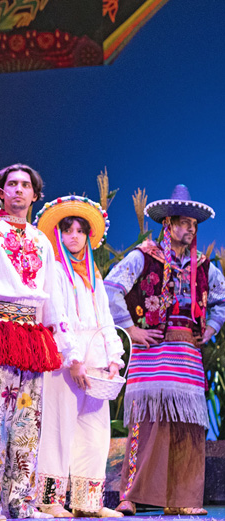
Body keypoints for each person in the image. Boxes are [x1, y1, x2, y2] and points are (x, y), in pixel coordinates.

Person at [0, 164, 76, 521]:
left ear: (35, 194)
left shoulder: (42, 240)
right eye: (11, 184)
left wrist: (63, 341)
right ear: (0, 192)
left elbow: (51, 294)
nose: (18, 190)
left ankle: (21, 501)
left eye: (25, 185)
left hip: (30, 335)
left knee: (27, 423)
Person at [105, 184, 223, 516]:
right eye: (184, 222)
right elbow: (110, 288)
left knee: (187, 427)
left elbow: (221, 301)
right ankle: (130, 495)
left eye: (194, 224)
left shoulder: (204, 266)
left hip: (187, 354)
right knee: (146, 423)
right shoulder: (143, 256)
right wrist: (131, 329)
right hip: (153, 350)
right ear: (168, 224)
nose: (190, 229)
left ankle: (183, 498)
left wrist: (211, 328)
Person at [32, 196, 125, 518]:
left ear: (88, 236)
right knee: (58, 429)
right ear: (58, 235)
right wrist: (72, 359)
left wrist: (113, 357)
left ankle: (88, 502)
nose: (74, 236)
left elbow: (105, 317)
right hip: (65, 361)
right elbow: (56, 315)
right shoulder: (55, 270)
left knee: (95, 431)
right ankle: (49, 499)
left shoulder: (93, 274)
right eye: (67, 230)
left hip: (95, 362)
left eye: (80, 231)